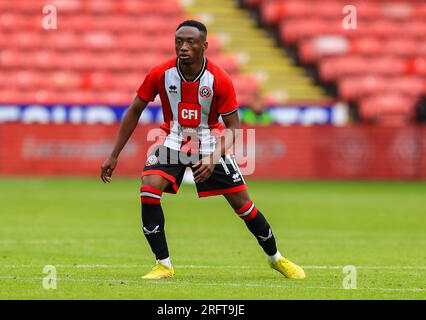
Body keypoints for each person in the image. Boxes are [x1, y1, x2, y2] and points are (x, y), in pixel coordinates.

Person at [100, 20, 305, 280]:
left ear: (204, 46)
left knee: (244, 206)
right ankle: (163, 265)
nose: (183, 47)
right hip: (173, 139)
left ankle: (276, 259)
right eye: (179, 42)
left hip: (210, 142)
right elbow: (134, 110)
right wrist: (114, 154)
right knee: (149, 188)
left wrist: (213, 156)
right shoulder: (160, 74)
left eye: (190, 42)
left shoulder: (219, 79)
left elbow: (233, 126)